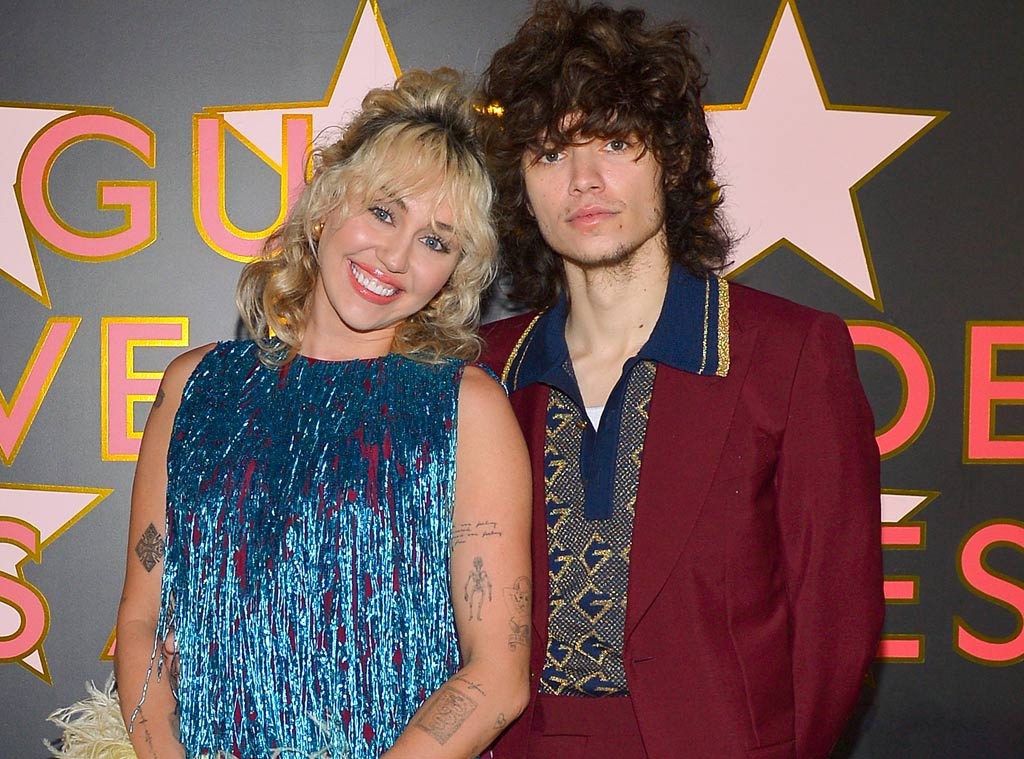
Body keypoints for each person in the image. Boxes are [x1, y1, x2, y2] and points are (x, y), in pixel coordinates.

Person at [475, 2, 884, 758]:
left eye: (616, 142)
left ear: (672, 159)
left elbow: (837, 627)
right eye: (551, 153)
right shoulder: (486, 369)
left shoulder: (789, 353)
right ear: (522, 187)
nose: (584, 180)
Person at [111, 69, 531, 759]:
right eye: (384, 212)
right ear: (325, 206)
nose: (395, 257)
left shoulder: (467, 407)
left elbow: (496, 676)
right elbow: (140, 621)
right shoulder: (194, 387)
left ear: (455, 274)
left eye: (436, 241)